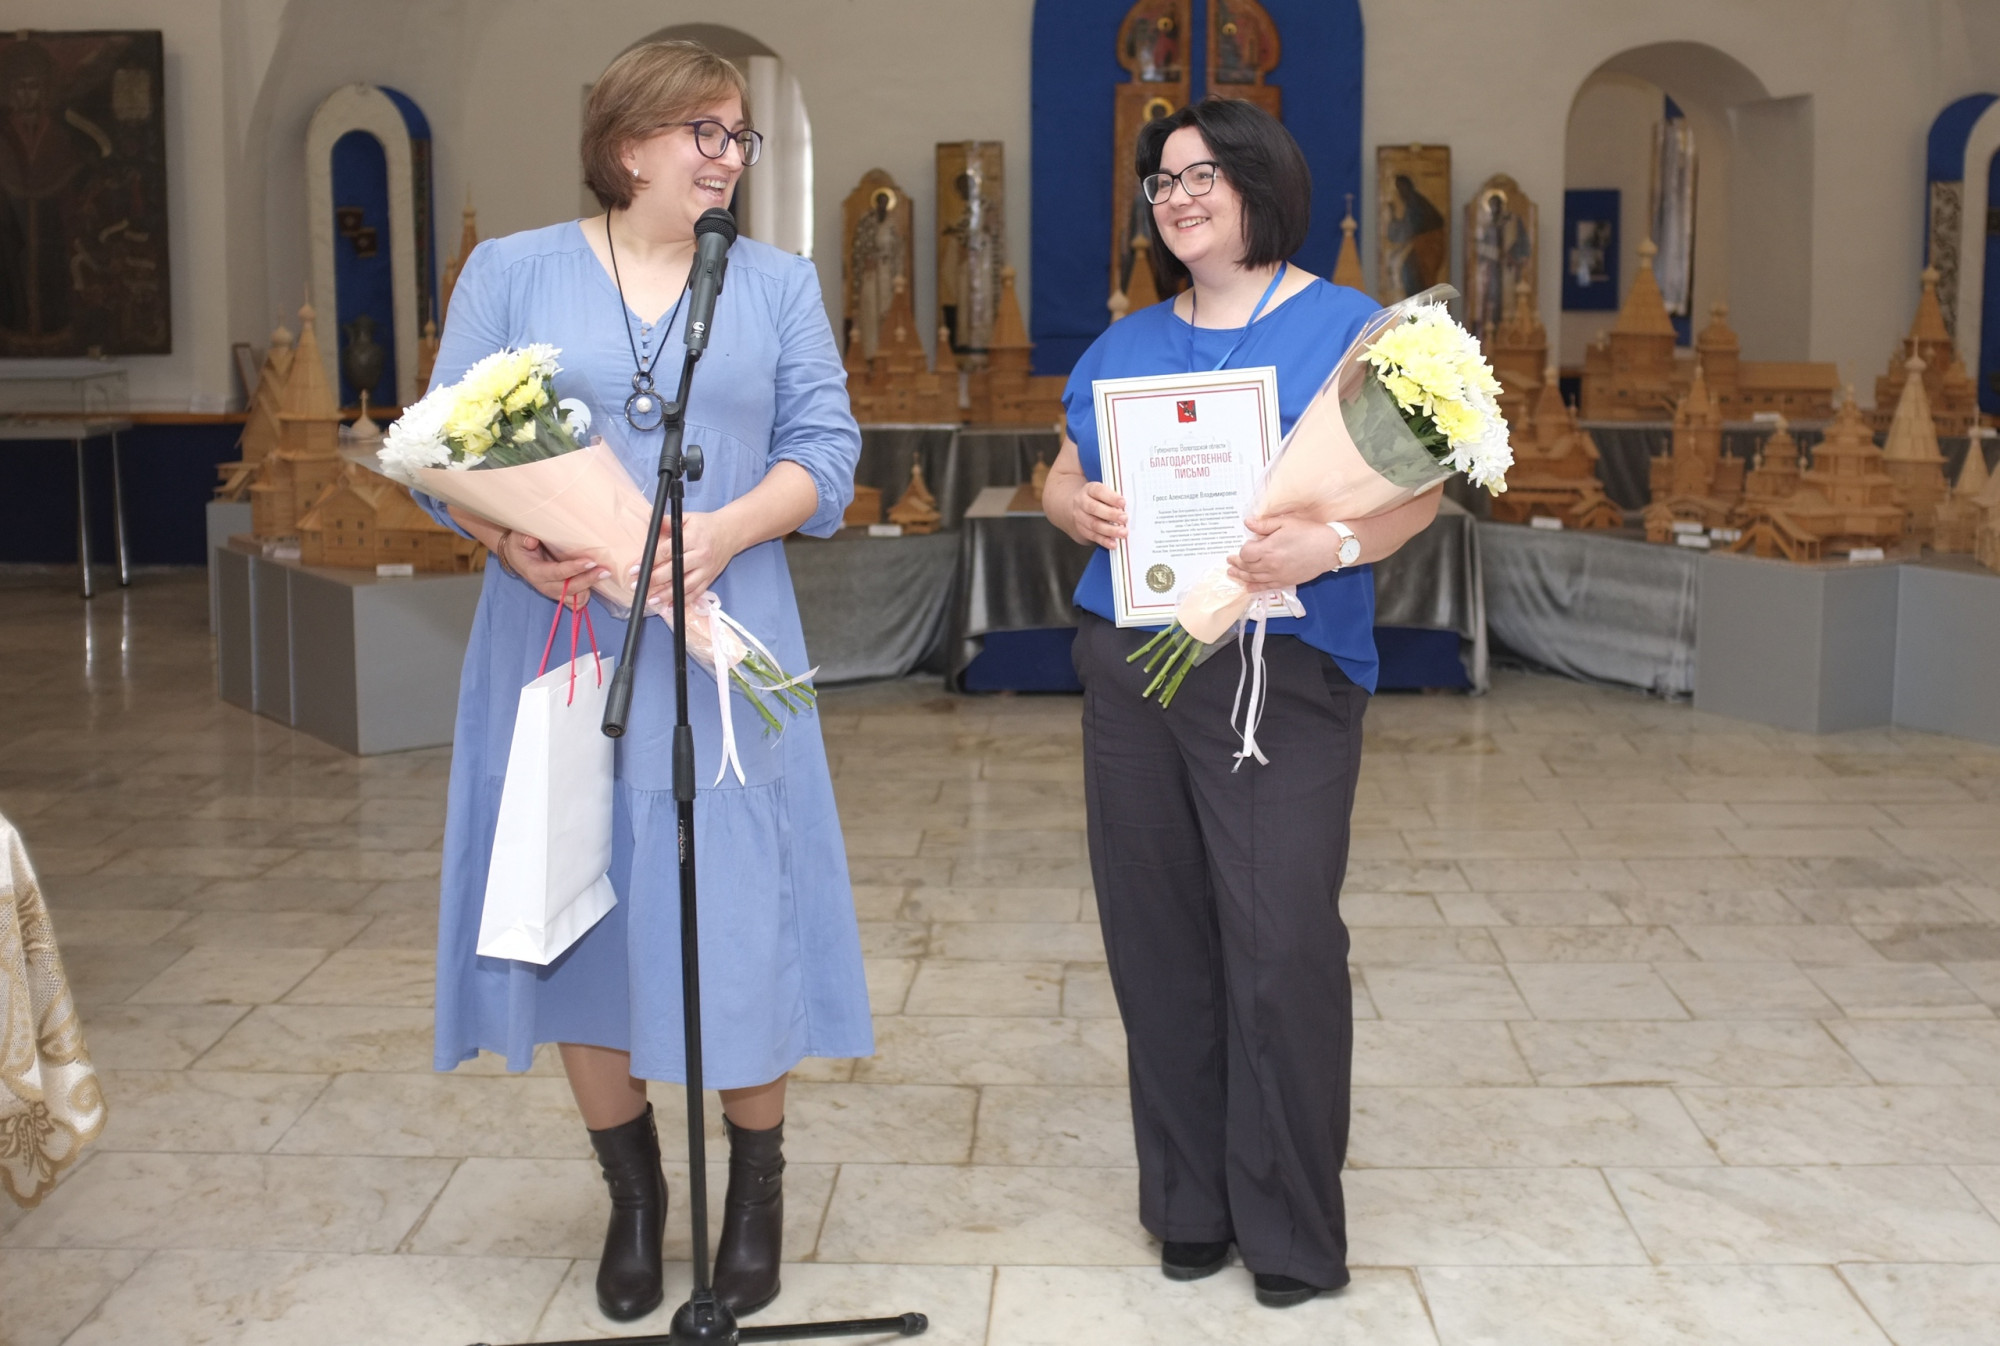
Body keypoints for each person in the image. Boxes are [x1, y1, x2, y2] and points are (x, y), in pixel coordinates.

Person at [415, 39, 871, 1325]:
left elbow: (826, 450)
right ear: (628, 145)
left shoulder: (774, 282)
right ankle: (632, 1193)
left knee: (737, 907)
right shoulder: (512, 271)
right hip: (560, 636)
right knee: (582, 895)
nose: (728, 157)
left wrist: (724, 529)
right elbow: (441, 448)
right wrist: (506, 538)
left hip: (724, 632)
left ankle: (755, 1188)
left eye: (739, 137)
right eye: (704, 133)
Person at [1042, 97, 1441, 1308]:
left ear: (1261, 183)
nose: (1177, 197)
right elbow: (1059, 469)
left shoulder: (1351, 329)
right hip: (1134, 667)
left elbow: (1417, 493)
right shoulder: (1123, 342)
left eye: (1201, 174)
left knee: (1280, 943)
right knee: (1155, 939)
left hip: (1285, 671)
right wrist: (1070, 505)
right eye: (1161, 181)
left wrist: (1329, 545)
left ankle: (1289, 1224)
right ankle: (1188, 1203)